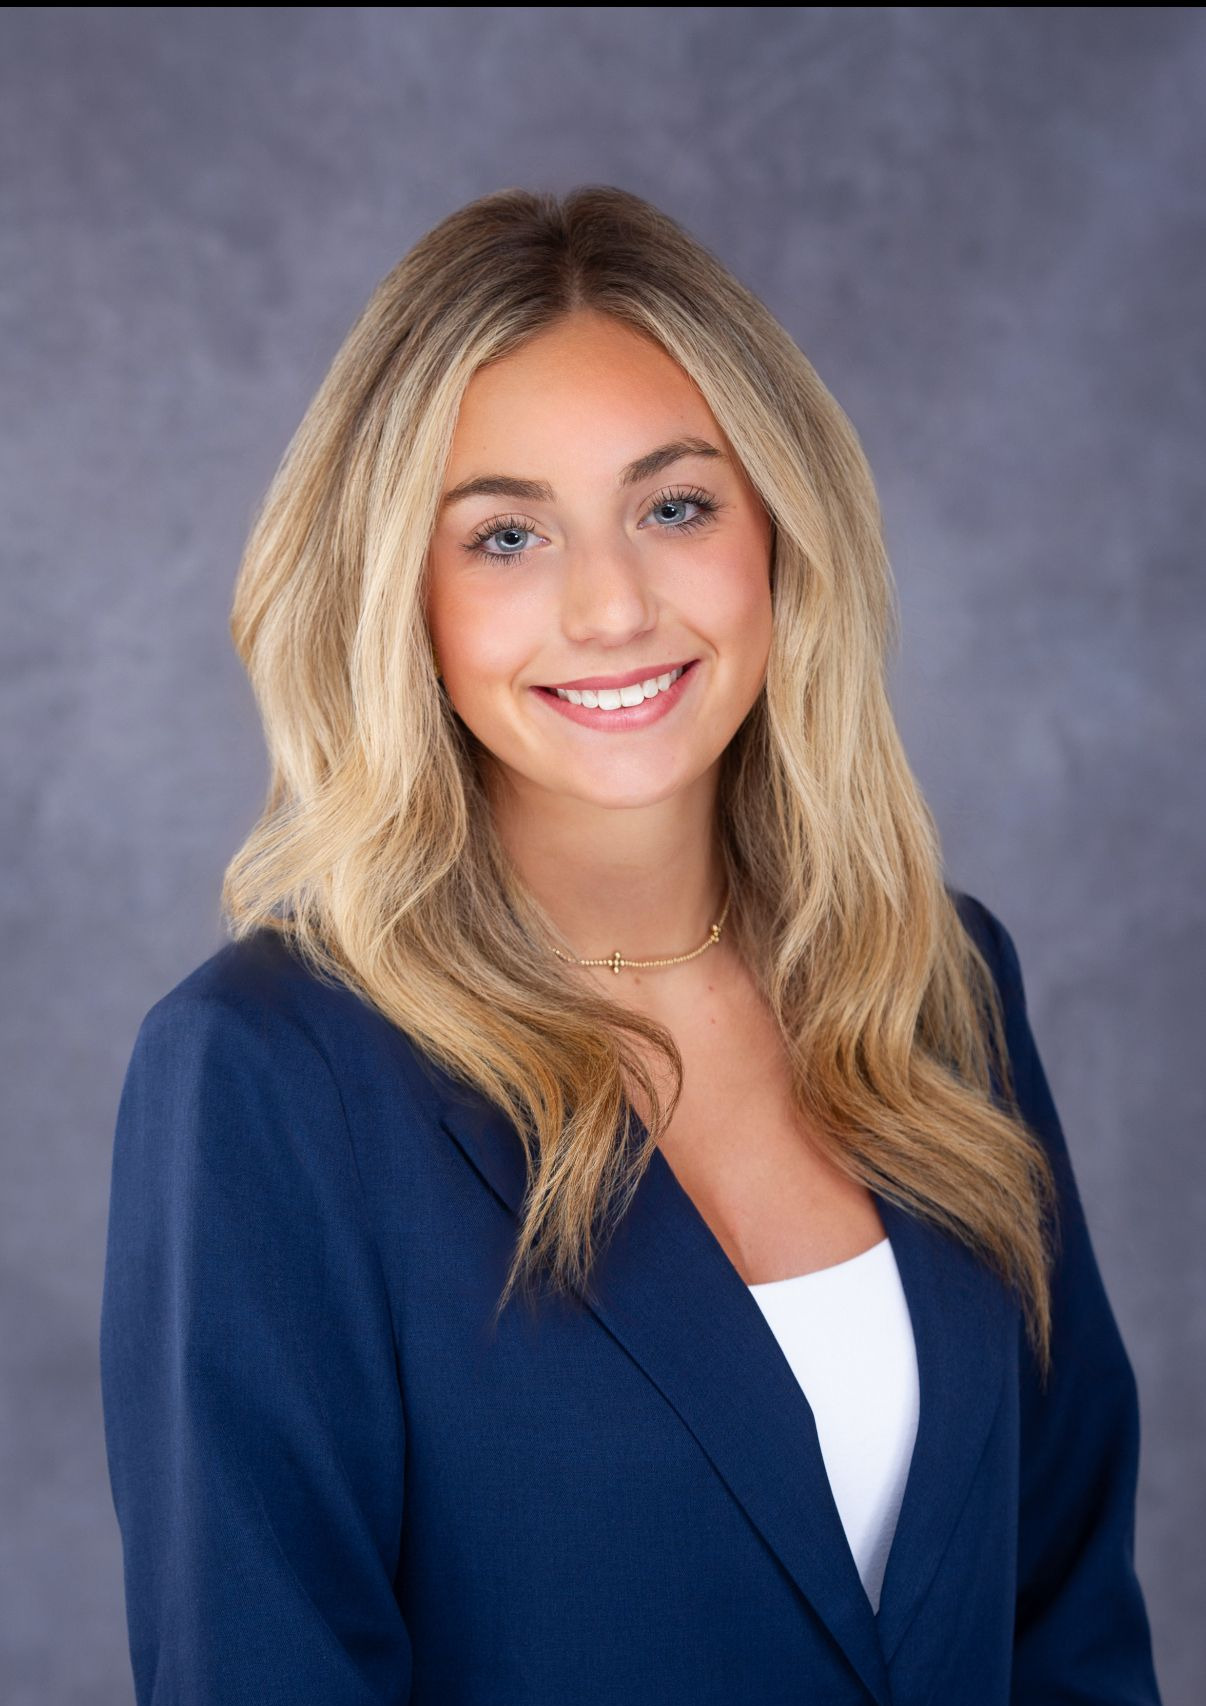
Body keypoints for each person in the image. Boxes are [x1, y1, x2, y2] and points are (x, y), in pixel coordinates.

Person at [98, 185, 1162, 1705]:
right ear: (400, 594)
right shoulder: (268, 1076)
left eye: (674, 505)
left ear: (779, 529)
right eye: (507, 535)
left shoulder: (937, 984)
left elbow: (1066, 1620)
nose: (609, 606)